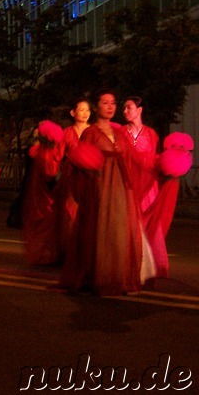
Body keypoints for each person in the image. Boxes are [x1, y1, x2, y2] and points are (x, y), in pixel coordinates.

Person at [59, 89, 155, 295]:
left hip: (120, 188)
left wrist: (157, 168)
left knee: (120, 231)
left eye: (113, 103)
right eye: (105, 103)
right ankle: (99, 275)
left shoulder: (120, 133)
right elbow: (78, 162)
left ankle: (119, 275)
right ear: (96, 107)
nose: (110, 107)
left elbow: (133, 160)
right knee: (99, 229)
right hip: (99, 187)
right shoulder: (90, 133)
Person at [122, 96, 167, 277]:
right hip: (128, 183)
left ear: (139, 110)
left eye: (129, 107)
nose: (125, 111)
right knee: (129, 223)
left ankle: (153, 263)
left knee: (150, 223)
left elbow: (155, 159)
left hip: (148, 185)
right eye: (124, 108)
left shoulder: (150, 134)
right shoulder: (120, 132)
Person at [53, 98, 91, 258]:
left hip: (89, 177)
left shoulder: (94, 131)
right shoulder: (67, 133)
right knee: (71, 214)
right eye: (81, 109)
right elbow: (58, 155)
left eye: (87, 110)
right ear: (73, 112)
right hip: (71, 177)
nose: (84, 113)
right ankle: (71, 251)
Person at [21, 122, 63, 265]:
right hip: (45, 195)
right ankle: (45, 255)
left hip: (40, 193)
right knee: (47, 225)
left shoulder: (40, 152)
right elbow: (49, 174)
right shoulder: (44, 153)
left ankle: (45, 254)